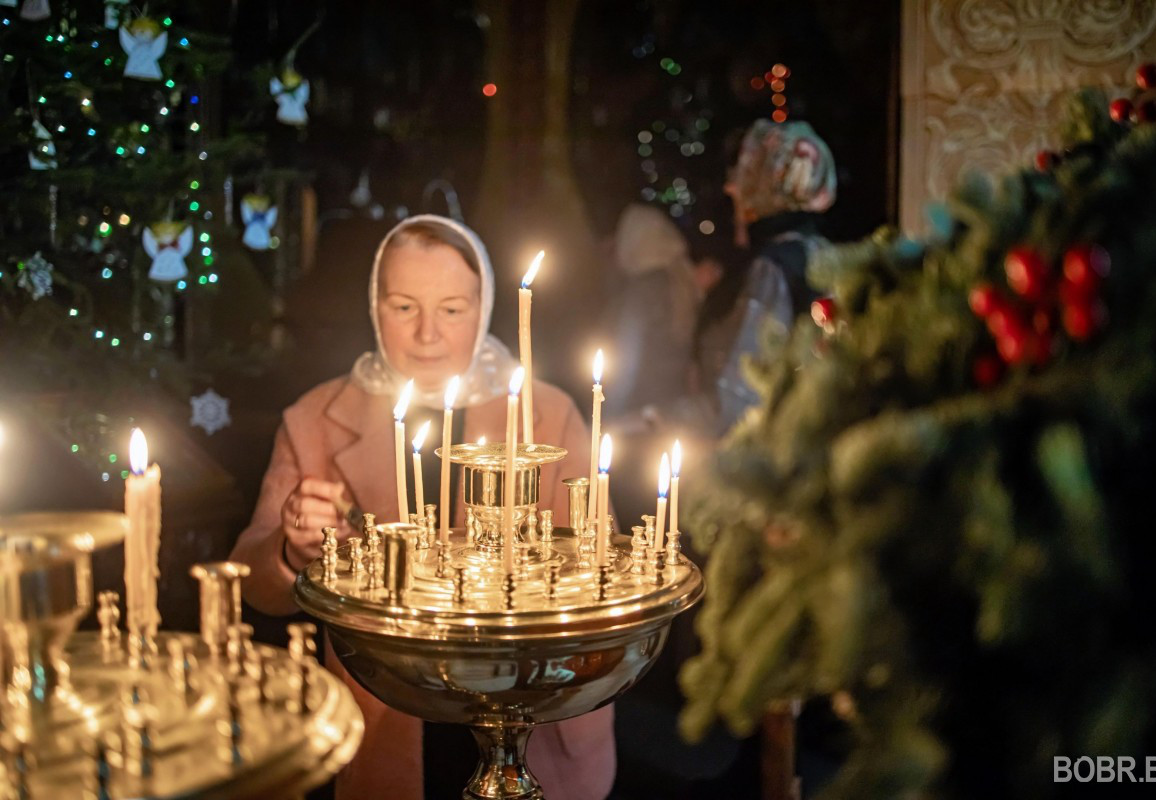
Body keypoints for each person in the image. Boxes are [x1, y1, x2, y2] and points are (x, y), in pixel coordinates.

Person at [229, 215, 615, 800]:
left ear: (484, 307)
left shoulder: (548, 415)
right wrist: (291, 548)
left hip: (531, 715)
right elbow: (252, 580)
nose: (427, 334)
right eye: (404, 306)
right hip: (389, 717)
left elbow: (602, 568)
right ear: (374, 305)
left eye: (453, 309)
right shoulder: (315, 420)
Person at [694, 119, 837, 433]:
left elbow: (738, 394)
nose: (730, 187)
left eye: (743, 177)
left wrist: (653, 422)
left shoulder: (773, 268)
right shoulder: (821, 253)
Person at [602, 203, 704, 418]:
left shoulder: (643, 291)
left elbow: (626, 362)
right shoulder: (680, 278)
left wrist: (607, 416)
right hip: (676, 404)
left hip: (641, 409)